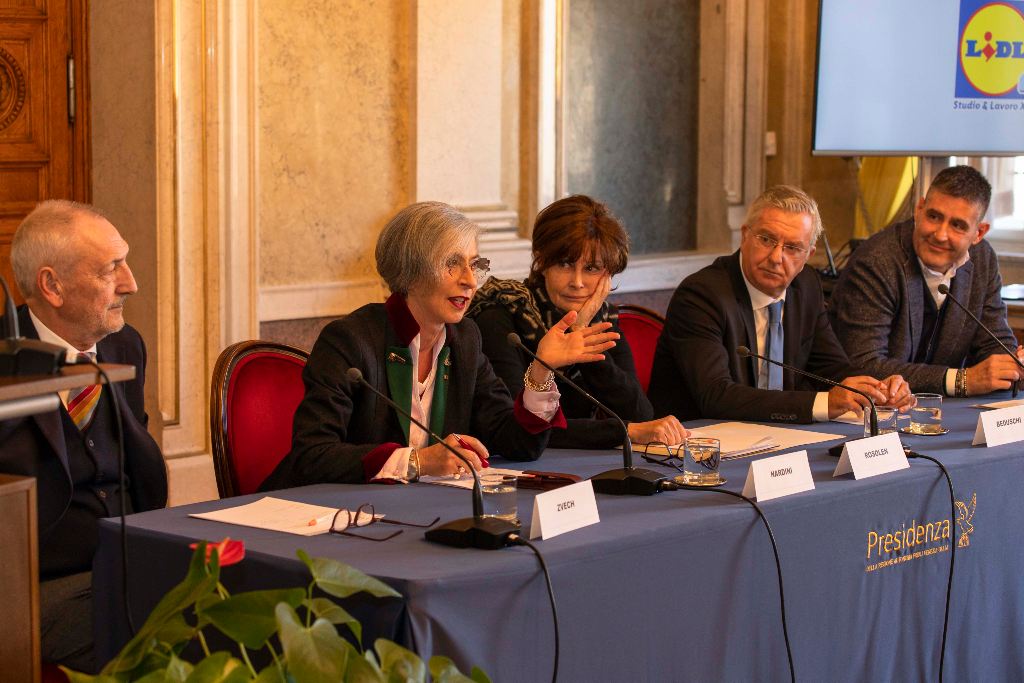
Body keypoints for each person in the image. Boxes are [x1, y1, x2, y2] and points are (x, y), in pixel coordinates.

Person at [260, 201, 618, 489]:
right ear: (411, 270)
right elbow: (313, 455)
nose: (470, 281)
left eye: (474, 265)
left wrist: (541, 371)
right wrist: (418, 461)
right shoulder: (351, 341)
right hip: (318, 518)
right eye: (452, 265)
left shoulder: (464, 339)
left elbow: (518, 444)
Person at [0, 200, 167, 673]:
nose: (130, 283)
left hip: (133, 561)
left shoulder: (125, 345)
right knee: (164, 646)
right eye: (111, 269)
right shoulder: (5, 358)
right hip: (35, 588)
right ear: (52, 285)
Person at [648, 185, 912, 423]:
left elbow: (832, 368)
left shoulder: (806, 286)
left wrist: (877, 389)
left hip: (779, 438)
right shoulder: (701, 295)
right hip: (699, 442)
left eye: (792, 248)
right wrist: (824, 403)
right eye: (766, 239)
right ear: (744, 236)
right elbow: (716, 395)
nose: (776, 257)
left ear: (808, 255)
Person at [468, 195, 688, 449]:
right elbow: (522, 427)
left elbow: (640, 414)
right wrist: (623, 431)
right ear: (542, 261)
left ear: (608, 274)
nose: (577, 282)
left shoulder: (600, 318)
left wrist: (582, 333)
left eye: (592, 268)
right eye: (565, 264)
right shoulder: (502, 314)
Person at [830, 165, 1022, 396]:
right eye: (934, 216)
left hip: (947, 409)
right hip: (874, 409)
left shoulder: (982, 258)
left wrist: (1012, 365)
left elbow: (993, 341)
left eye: (957, 225)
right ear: (919, 209)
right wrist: (961, 380)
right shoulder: (876, 261)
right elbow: (864, 364)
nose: (940, 235)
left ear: (979, 233)